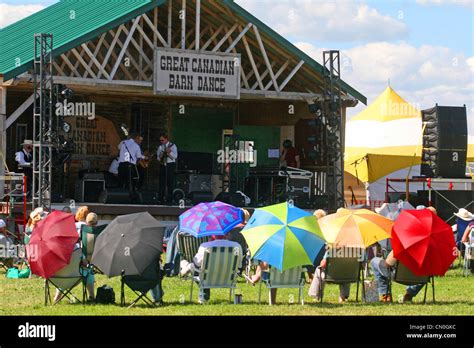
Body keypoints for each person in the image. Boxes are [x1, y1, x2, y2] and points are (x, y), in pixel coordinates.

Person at [181, 234, 241, 304]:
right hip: (228, 280)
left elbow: (196, 263)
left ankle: (204, 294)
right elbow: (239, 265)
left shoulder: (205, 246)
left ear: (212, 235)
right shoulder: (237, 246)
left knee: (191, 266)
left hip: (207, 279)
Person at [118, 133, 146, 201]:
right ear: (135, 138)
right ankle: (130, 197)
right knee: (131, 182)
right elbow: (139, 156)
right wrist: (144, 157)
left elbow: (118, 148)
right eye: (139, 140)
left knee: (121, 181)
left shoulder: (123, 142)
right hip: (130, 166)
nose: (140, 142)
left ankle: (119, 196)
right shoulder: (136, 146)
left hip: (121, 165)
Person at [157, 135, 178, 205]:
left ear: (166, 139)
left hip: (170, 165)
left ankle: (170, 199)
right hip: (163, 165)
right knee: (162, 182)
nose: (161, 142)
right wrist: (160, 156)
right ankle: (161, 199)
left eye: (162, 140)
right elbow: (158, 158)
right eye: (160, 140)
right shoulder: (160, 147)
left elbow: (175, 156)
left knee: (170, 182)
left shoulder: (173, 146)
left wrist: (168, 153)